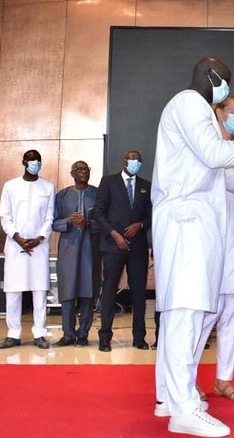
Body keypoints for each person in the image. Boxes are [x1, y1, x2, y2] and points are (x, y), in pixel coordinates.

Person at [152, 57, 234, 437]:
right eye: (225, 82)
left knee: (186, 316)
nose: (226, 88)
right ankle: (183, 409)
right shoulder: (190, 102)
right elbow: (215, 154)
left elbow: (221, 173)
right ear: (210, 78)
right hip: (186, 221)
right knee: (186, 314)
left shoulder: (199, 111)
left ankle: (170, 397)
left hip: (195, 223)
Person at [196, 96, 234, 403]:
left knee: (232, 315)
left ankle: (223, 380)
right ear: (218, 113)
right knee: (205, 317)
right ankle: (186, 379)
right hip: (209, 249)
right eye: (233, 113)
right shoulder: (208, 149)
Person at [94, 149, 152, 352]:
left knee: (138, 293)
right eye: (132, 159)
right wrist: (115, 235)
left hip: (138, 247)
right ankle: (105, 337)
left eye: (139, 159)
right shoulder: (108, 182)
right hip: (112, 245)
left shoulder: (146, 186)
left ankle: (139, 337)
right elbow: (98, 213)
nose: (135, 162)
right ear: (124, 160)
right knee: (109, 290)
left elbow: (152, 215)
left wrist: (141, 225)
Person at [0, 149, 55, 349]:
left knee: (40, 290)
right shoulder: (10, 186)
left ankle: (40, 333)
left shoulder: (48, 186)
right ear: (23, 162)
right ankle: (13, 334)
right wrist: (18, 237)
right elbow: (5, 216)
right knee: (13, 291)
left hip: (39, 245)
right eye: (31, 160)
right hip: (15, 245)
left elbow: (50, 217)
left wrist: (39, 238)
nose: (35, 164)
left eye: (38, 160)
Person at [52, 161, 100, 347]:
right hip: (68, 250)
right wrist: (68, 220)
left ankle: (83, 334)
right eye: (79, 169)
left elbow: (105, 220)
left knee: (88, 292)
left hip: (91, 249)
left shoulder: (97, 194)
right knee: (68, 292)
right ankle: (68, 334)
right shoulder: (62, 196)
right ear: (72, 173)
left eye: (86, 169)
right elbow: (53, 222)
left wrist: (90, 223)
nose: (83, 172)